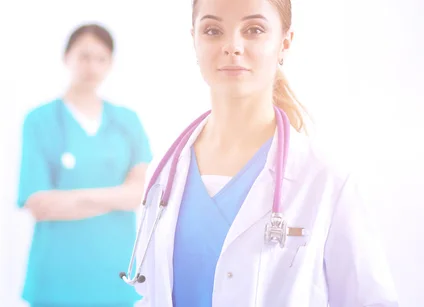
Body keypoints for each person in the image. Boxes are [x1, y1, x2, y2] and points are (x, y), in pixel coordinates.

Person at [126, 0, 399, 306]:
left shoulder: (325, 178)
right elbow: (151, 294)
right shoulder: (164, 172)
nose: (233, 46)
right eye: (213, 30)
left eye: (254, 29)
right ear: (194, 41)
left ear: (285, 42)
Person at [17, 23, 152, 307]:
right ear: (67, 58)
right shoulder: (40, 120)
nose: (92, 66)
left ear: (111, 64)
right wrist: (114, 196)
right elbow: (40, 205)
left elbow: (138, 195)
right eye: (84, 56)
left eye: (101, 59)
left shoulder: (127, 121)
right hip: (56, 273)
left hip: (112, 269)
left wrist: (72, 199)